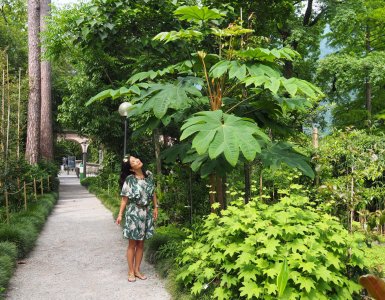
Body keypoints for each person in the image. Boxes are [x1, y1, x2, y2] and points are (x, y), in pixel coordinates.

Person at [116, 154, 158, 282]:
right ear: (131, 168)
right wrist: (120, 214)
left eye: (136, 158)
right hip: (134, 212)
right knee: (132, 244)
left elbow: (153, 192)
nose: (137, 161)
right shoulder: (130, 179)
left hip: (146, 212)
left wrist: (156, 207)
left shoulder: (149, 176)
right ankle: (130, 271)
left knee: (141, 244)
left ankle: (137, 270)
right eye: (133, 161)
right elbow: (124, 199)